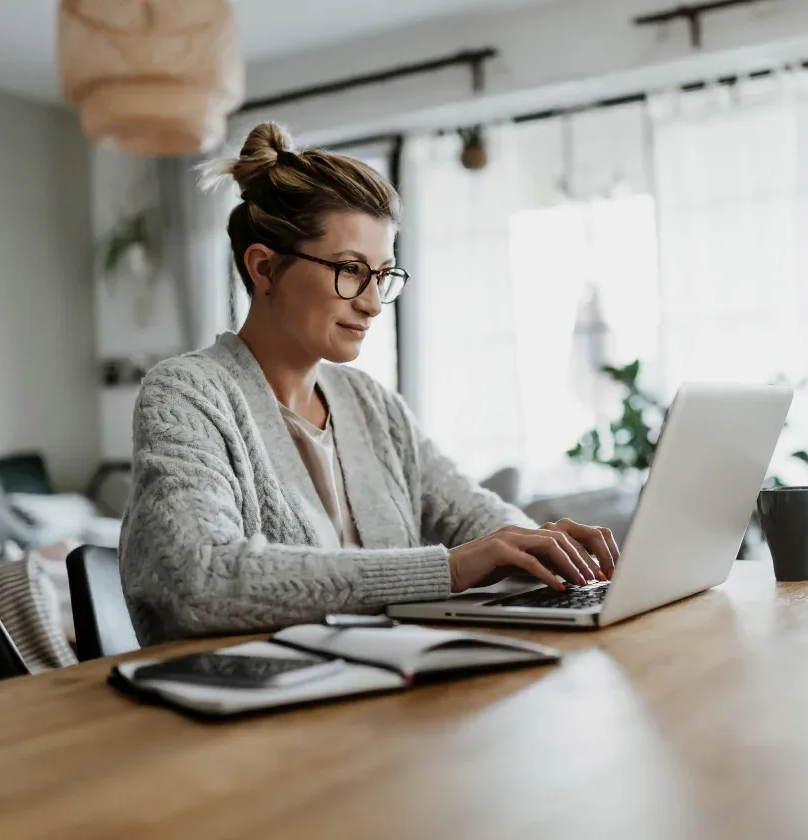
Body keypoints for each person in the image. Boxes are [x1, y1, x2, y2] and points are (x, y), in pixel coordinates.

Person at [120, 122, 619, 646]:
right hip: (250, 708)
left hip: (383, 690)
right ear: (265, 269)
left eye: (383, 275)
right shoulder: (187, 394)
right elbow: (200, 578)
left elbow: (470, 513)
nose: (373, 303)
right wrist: (446, 570)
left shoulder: (370, 403)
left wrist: (540, 547)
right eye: (351, 270)